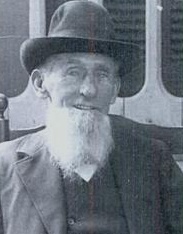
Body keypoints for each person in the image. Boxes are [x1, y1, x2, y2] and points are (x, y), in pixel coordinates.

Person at [0, 1, 183, 234]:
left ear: (115, 89)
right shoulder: (4, 167)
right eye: (73, 72)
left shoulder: (154, 162)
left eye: (102, 74)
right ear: (40, 83)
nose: (89, 89)